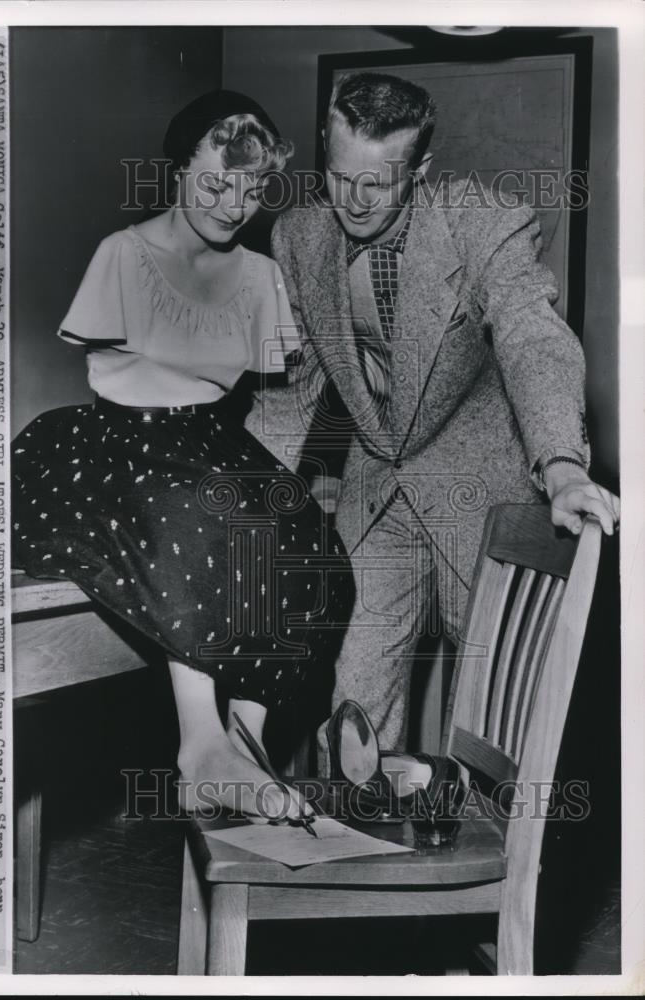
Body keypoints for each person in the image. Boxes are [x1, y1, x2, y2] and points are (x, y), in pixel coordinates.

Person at [247, 72, 620, 766]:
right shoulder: (297, 237)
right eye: (337, 177)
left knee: (491, 720)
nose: (352, 203)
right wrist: (242, 491)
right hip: (376, 491)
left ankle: (485, 873)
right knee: (354, 701)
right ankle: (359, 848)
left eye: (376, 185)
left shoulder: (485, 221)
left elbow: (530, 337)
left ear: (419, 170)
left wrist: (564, 469)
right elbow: (290, 390)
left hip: (481, 490)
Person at [11, 90, 357, 823]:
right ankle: (198, 745)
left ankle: (242, 741)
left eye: (251, 188)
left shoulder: (262, 277)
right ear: (176, 173)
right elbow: (112, 379)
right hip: (117, 440)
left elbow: (279, 400)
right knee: (197, 517)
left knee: (313, 549)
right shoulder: (123, 256)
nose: (233, 205)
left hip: (210, 441)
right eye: (213, 184)